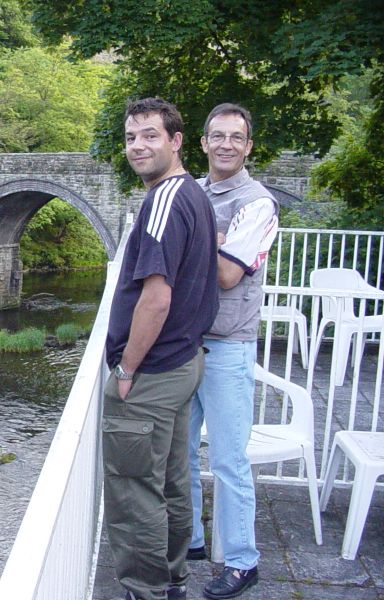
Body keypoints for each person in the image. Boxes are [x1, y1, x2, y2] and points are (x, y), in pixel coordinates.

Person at [103, 97, 218, 600]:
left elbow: (156, 296)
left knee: (134, 491)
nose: (137, 146)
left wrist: (127, 368)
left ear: (176, 141)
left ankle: (144, 589)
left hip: (151, 372)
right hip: (182, 362)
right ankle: (172, 580)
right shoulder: (194, 193)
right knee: (171, 481)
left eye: (150, 135)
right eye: (131, 137)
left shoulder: (165, 200)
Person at [186, 103, 279, 600]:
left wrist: (199, 242)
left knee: (227, 461)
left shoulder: (258, 203)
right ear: (202, 142)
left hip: (227, 347)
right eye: (216, 135)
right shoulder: (195, 191)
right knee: (179, 454)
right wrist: (217, 240)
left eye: (235, 137)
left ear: (247, 146)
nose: (225, 144)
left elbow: (226, 275)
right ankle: (193, 543)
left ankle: (243, 562)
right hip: (186, 343)